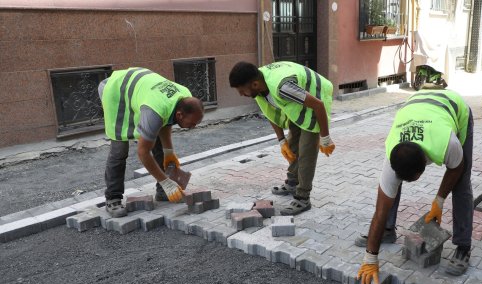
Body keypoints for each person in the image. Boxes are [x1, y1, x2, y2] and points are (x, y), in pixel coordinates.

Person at [356, 89, 474, 284]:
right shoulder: (392, 151)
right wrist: (370, 259)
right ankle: (387, 230)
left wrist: (439, 200)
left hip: (455, 108)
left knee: (461, 184)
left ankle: (463, 246)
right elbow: (379, 211)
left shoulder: (446, 144)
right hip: (417, 107)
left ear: (422, 171)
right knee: (389, 191)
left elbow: (456, 168)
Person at [228, 61, 335, 215]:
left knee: (306, 152)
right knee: (292, 144)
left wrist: (325, 137)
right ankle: (292, 183)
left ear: (255, 84)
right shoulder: (258, 87)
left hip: (315, 94)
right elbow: (269, 112)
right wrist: (282, 141)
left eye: (242, 91)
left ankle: (303, 197)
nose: (241, 95)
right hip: (298, 100)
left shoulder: (283, 88)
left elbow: (318, 105)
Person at [99, 67, 204, 218]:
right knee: (119, 150)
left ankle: (161, 192)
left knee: (158, 144)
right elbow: (143, 152)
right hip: (116, 92)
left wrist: (169, 152)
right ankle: (113, 199)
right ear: (181, 115)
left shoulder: (185, 95)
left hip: (140, 90)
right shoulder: (155, 110)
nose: (194, 127)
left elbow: (167, 119)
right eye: (193, 123)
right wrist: (166, 182)